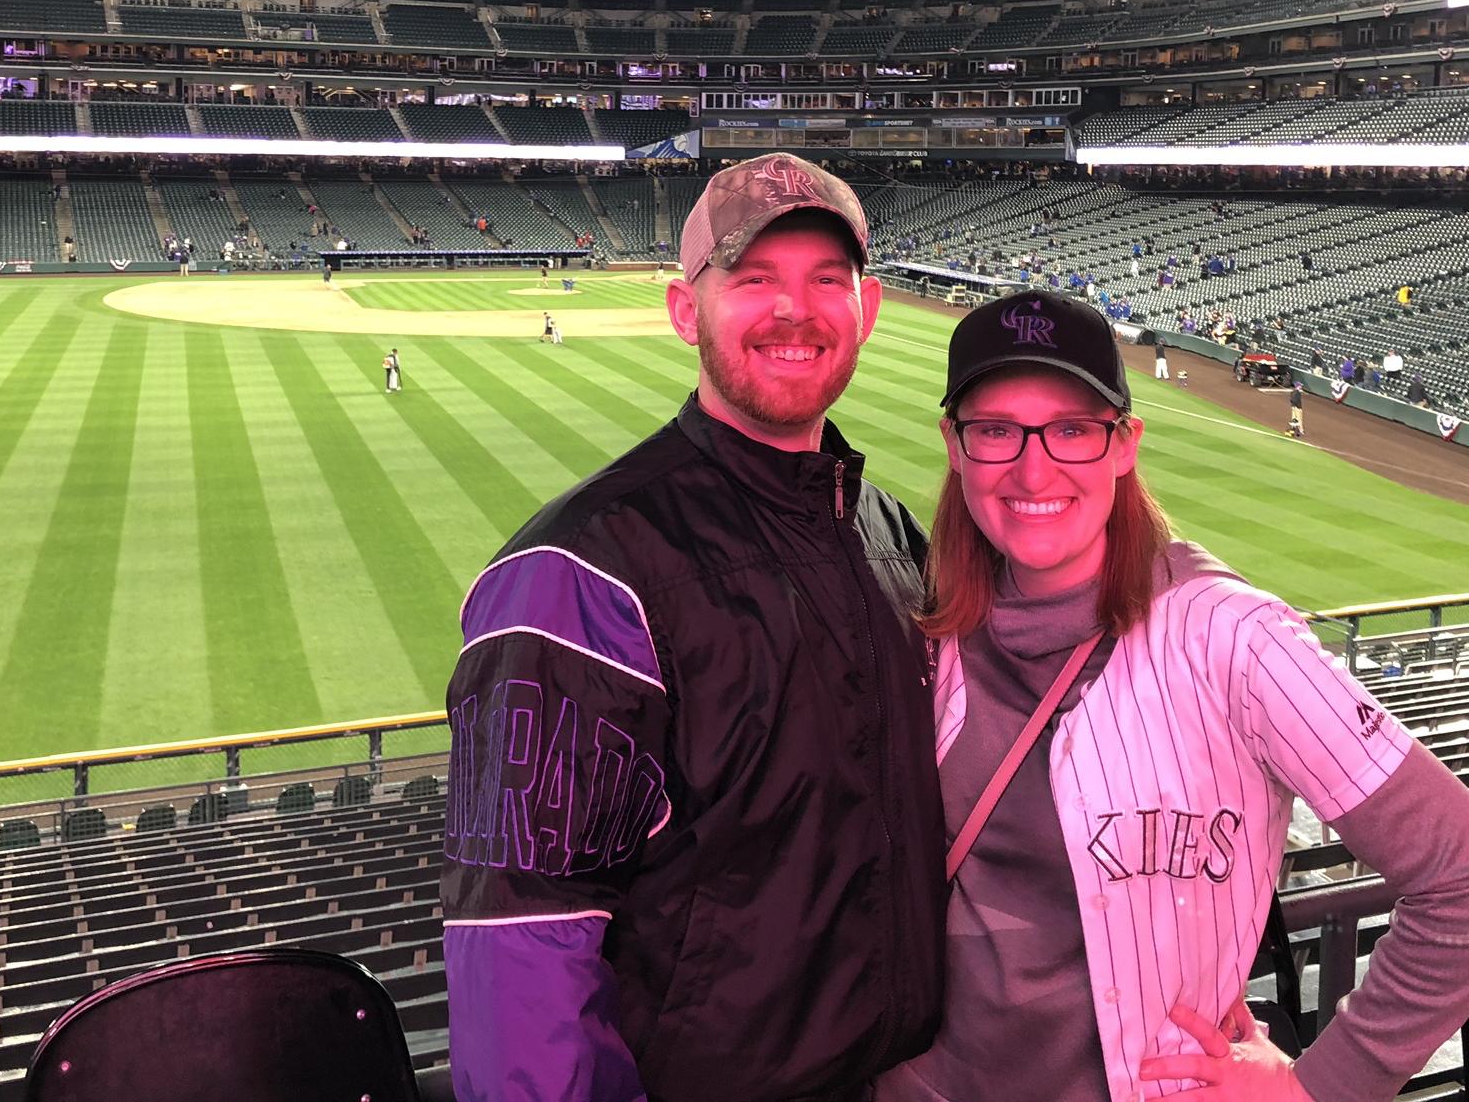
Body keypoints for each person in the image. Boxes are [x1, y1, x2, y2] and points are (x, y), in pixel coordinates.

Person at [875, 288, 1469, 1102]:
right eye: (996, 429)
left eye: (1074, 430)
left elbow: (1459, 874)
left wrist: (1323, 1087)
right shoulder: (931, 626)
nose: (1032, 466)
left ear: (1125, 445)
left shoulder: (1236, 638)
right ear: (955, 445)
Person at [441, 153, 945, 1102]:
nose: (796, 311)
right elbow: (519, 944)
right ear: (686, 312)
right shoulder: (575, 571)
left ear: (867, 310)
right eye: (754, 279)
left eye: (825, 281)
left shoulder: (886, 535)